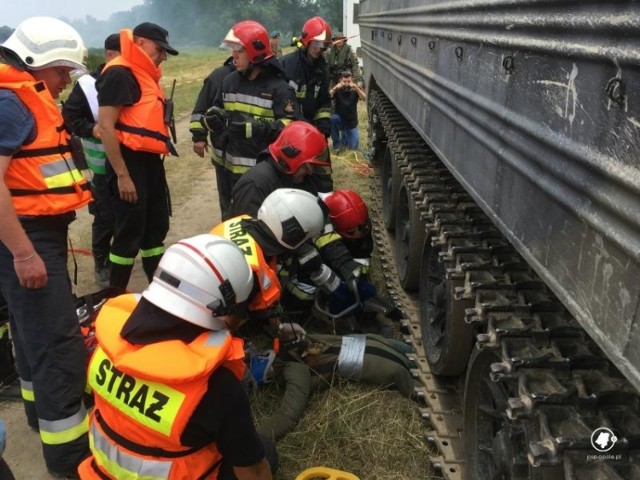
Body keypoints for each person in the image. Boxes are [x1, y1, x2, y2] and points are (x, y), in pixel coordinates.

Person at [77, 234, 276, 479]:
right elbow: (253, 472)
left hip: (102, 472)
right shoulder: (216, 387)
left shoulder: (106, 343)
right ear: (222, 311)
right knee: (264, 451)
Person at [0, 16, 92, 477]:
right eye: (60, 72)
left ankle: (40, 417)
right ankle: (70, 456)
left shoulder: (18, 97)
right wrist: (23, 252)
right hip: (26, 237)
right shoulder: (11, 104)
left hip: (33, 233)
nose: (63, 82)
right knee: (58, 345)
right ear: (35, 64)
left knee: (30, 331)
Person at [96, 22, 179, 290]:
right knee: (129, 230)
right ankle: (116, 293)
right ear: (140, 43)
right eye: (160, 49)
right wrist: (122, 176)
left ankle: (159, 289)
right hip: (127, 161)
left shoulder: (145, 75)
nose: (163, 56)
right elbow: (106, 127)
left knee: (155, 226)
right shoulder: (119, 73)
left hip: (149, 162)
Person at [200, 20, 300, 221]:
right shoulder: (229, 81)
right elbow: (216, 108)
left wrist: (257, 128)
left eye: (239, 49)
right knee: (229, 222)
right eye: (232, 49)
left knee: (257, 225)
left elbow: (293, 128)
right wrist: (212, 118)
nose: (233, 55)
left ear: (256, 53)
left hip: (261, 177)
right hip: (227, 171)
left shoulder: (280, 89)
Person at [212, 188, 326, 338]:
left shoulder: (242, 222)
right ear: (292, 234)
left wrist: (278, 326)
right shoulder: (250, 272)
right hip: (208, 325)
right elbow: (227, 327)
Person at [62, 33, 120, 288]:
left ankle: (121, 256)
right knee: (105, 216)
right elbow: (70, 117)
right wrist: (92, 128)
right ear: (110, 55)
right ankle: (102, 262)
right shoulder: (86, 85)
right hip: (101, 166)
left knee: (127, 213)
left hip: (129, 163)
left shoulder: (130, 79)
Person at [229, 121, 330, 218]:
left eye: (314, 167)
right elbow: (249, 231)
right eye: (307, 167)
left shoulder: (301, 180)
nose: (311, 172)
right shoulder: (254, 186)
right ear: (290, 157)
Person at [281, 16, 334, 191]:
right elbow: (284, 103)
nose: (320, 49)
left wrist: (324, 126)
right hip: (289, 131)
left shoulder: (322, 69)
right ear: (306, 40)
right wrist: (303, 126)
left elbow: (324, 101)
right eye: (316, 44)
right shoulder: (288, 65)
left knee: (322, 177)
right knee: (290, 176)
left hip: (313, 130)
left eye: (323, 45)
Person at [190, 56, 236, 217]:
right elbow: (200, 109)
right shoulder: (218, 76)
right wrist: (199, 137)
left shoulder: (265, 76)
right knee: (227, 199)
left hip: (253, 155)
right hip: (223, 152)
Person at [329, 70, 366, 152]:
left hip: (351, 122)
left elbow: (365, 98)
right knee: (332, 118)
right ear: (340, 81)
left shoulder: (355, 89)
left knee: (353, 148)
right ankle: (336, 145)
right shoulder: (337, 89)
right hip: (340, 120)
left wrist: (357, 90)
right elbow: (326, 97)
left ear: (352, 80)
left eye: (348, 81)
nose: (346, 84)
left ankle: (345, 136)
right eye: (344, 81)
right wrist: (335, 88)